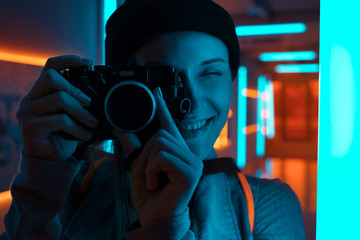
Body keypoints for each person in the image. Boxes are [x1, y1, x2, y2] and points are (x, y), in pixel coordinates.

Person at [0, 0, 305, 239]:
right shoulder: (77, 184)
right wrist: (42, 173)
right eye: (165, 78)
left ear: (232, 83)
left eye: (211, 73)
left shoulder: (267, 207)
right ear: (124, 87)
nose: (192, 102)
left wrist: (165, 229)